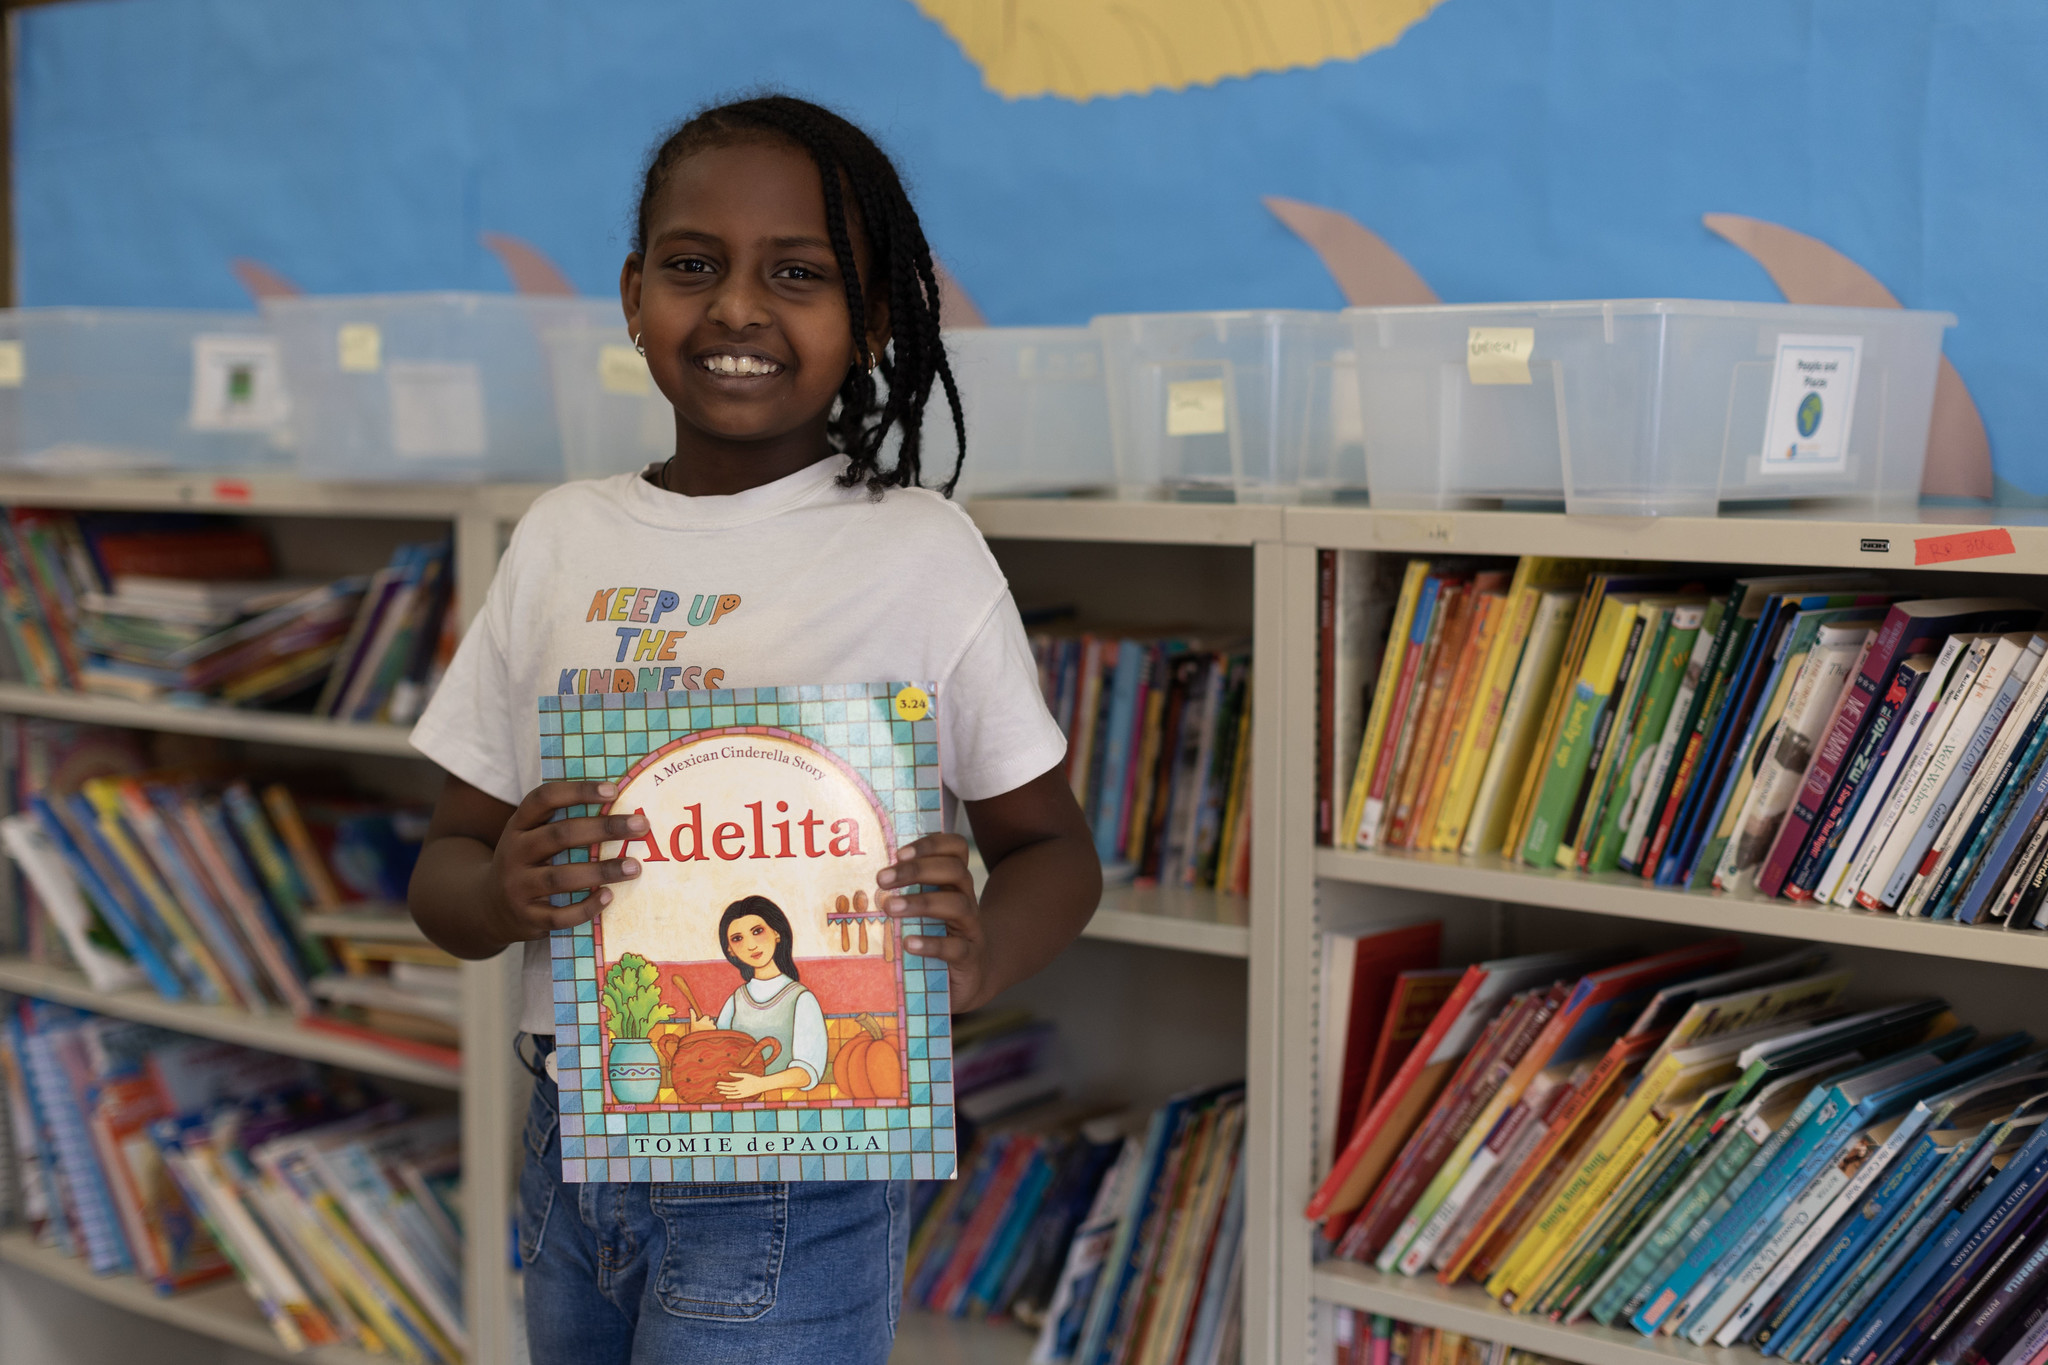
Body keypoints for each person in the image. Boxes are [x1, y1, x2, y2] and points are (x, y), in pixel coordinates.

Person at [405, 94, 1101, 1363]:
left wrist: (981, 955)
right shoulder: (562, 538)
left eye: (799, 273)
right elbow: (443, 872)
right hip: (576, 1139)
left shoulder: (920, 552)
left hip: (802, 1161)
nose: (735, 307)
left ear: (875, 316)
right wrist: (505, 889)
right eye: (691, 266)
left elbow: (1055, 850)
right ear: (632, 297)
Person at [693, 895, 827, 1100]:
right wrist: (700, 1037)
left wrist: (760, 1085)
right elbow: (717, 1062)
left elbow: (809, 1072)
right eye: (738, 939)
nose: (751, 945)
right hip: (737, 1103)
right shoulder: (736, 1000)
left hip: (787, 1104)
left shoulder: (801, 999)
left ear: (776, 933)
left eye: (757, 931)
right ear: (731, 950)